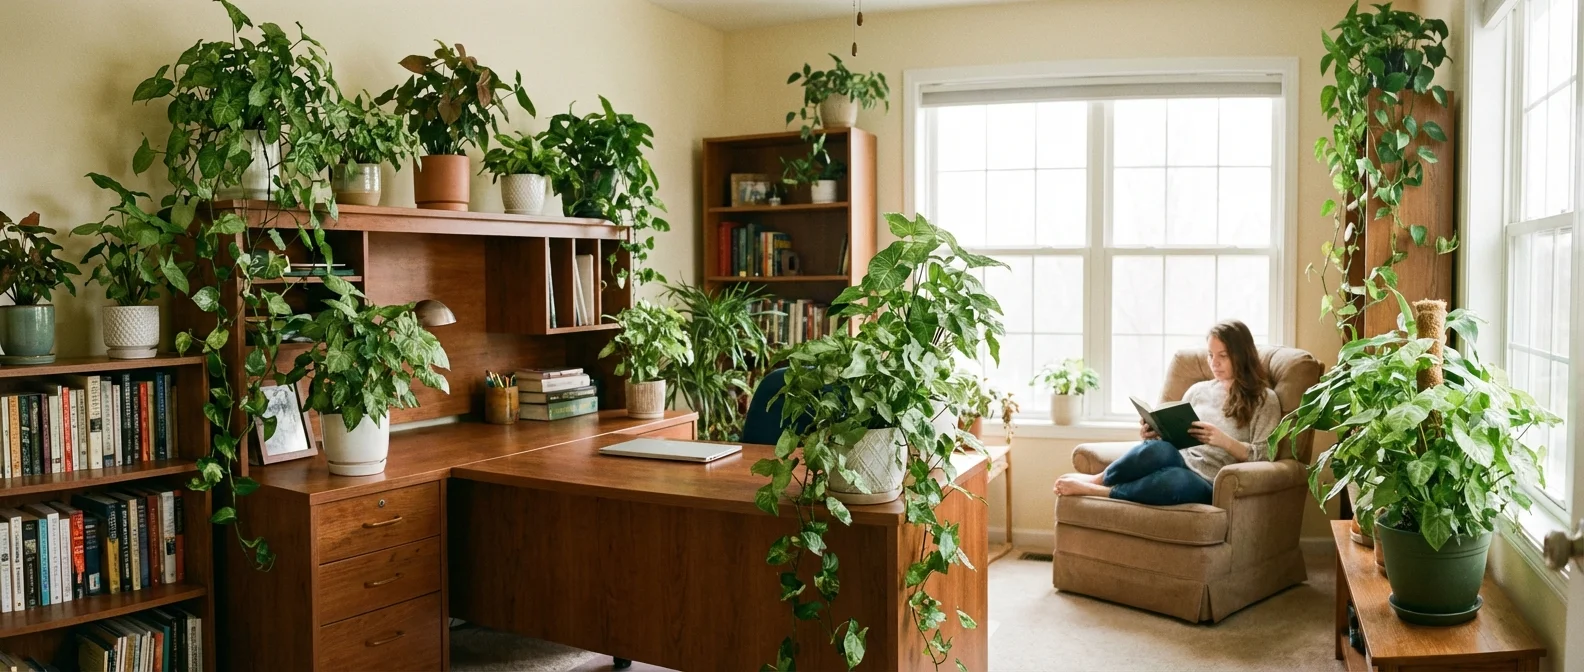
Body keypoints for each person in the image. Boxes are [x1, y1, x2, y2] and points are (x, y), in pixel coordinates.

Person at [1053, 320, 1280, 506]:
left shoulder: (1264, 399)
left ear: (1242, 355)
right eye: (1210, 355)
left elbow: (1266, 455)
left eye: (1223, 356)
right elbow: (1176, 438)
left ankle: (1098, 492)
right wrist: (1155, 431)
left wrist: (1224, 441)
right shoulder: (1198, 391)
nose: (1214, 363)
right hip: (1181, 459)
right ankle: (1098, 480)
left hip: (1209, 480)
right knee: (1157, 449)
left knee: (1174, 481)